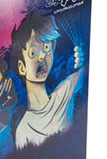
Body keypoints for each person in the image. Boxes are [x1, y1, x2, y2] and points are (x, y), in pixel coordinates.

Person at [10, 10, 85, 149]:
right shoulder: (23, 131)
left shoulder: (65, 91)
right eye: (33, 52)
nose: (42, 56)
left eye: (46, 47)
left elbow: (85, 74)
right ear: (22, 67)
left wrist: (83, 59)